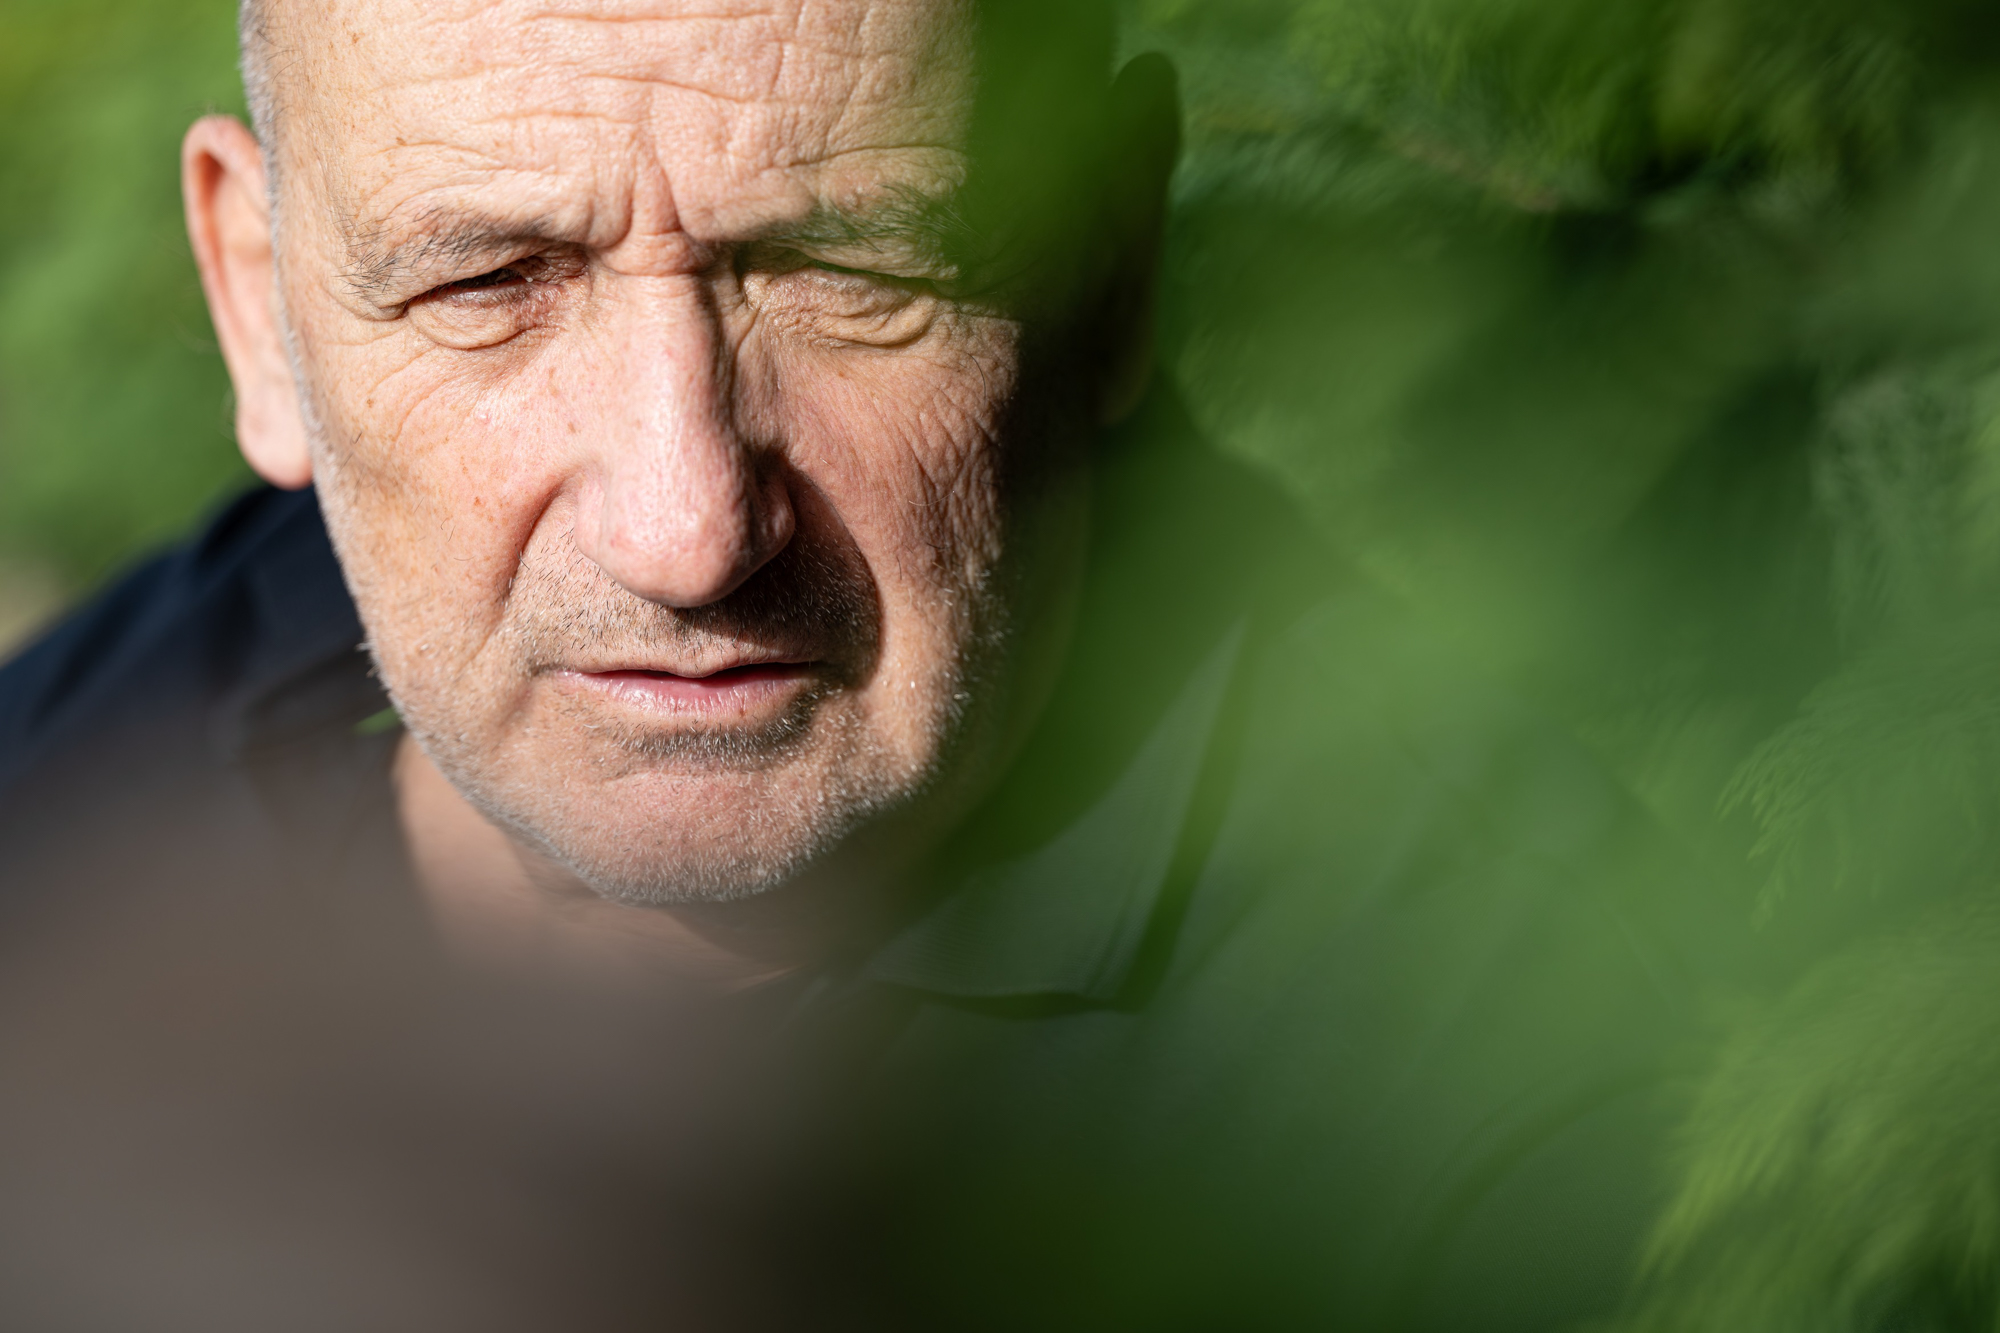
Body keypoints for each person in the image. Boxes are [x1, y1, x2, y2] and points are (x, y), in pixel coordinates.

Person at [0, 0, 1743, 1326]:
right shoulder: (89, 761)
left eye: (844, 266)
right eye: (492, 283)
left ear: (1109, 262)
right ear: (262, 303)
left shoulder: (1516, 1128)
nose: (686, 528)